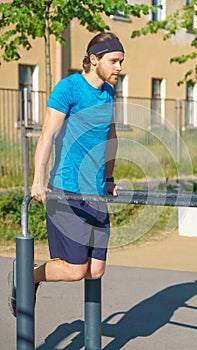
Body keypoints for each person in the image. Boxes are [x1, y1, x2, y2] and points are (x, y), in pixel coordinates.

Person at [8, 32, 124, 316]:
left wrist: (108, 179)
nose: (119, 67)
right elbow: (47, 135)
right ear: (94, 59)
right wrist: (37, 180)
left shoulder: (109, 92)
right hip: (67, 190)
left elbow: (111, 136)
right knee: (75, 270)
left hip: (96, 193)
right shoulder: (69, 88)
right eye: (114, 61)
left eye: (121, 61)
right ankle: (28, 276)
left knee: (95, 271)